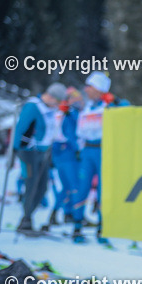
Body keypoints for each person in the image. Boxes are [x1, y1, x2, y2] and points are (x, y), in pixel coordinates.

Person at [72, 72, 125, 244]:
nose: (86, 89)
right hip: (87, 151)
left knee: (104, 191)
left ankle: (102, 228)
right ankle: (77, 227)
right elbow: (78, 131)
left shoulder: (110, 105)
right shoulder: (86, 107)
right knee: (82, 188)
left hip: (104, 151)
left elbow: (127, 109)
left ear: (100, 89)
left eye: (90, 86)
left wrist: (115, 101)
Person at [13, 82, 65, 232]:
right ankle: (26, 220)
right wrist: (15, 151)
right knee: (31, 185)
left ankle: (28, 216)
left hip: (43, 153)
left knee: (42, 188)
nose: (57, 105)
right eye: (57, 101)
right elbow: (20, 129)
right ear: (51, 96)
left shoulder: (50, 109)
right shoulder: (33, 106)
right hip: (29, 152)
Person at [49, 87, 82, 226]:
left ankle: (64, 213)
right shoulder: (67, 113)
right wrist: (77, 150)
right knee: (74, 186)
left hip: (60, 153)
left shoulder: (60, 112)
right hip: (67, 153)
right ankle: (75, 215)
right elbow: (70, 134)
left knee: (67, 186)